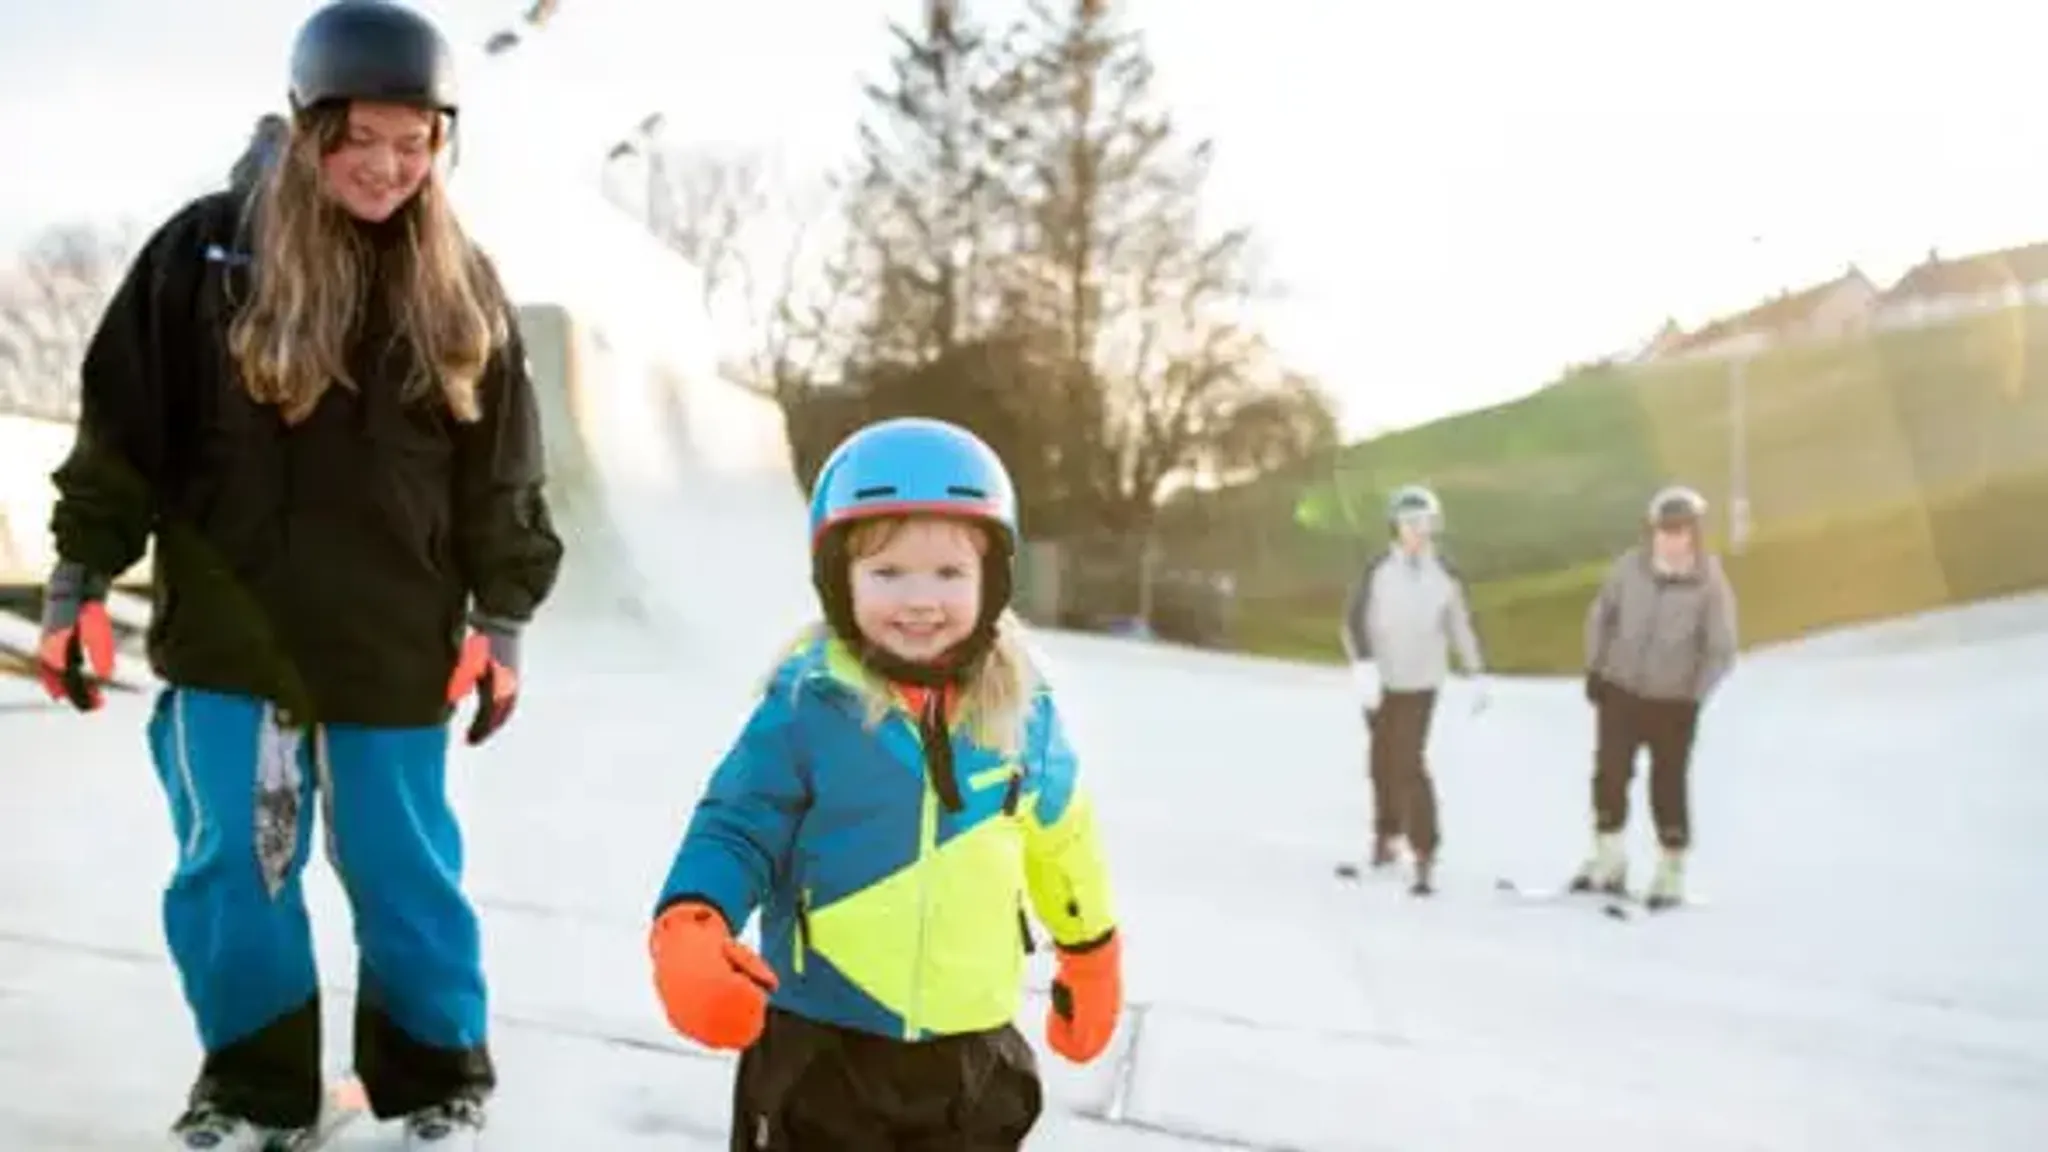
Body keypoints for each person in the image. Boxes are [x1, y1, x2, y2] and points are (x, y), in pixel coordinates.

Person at [34, 2, 564, 1147]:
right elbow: (122, 432)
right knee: (236, 873)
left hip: (392, 644)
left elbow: (502, 475)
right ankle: (251, 1094)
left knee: (402, 875)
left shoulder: (458, 282)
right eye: (357, 138)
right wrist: (78, 586)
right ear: (307, 123)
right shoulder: (208, 253)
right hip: (232, 645)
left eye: (411, 142)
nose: (384, 167)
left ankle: (436, 1092)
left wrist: (503, 618)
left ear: (440, 143)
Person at [647, 417, 1123, 1149]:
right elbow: (738, 823)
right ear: (838, 581)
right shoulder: (808, 706)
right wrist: (692, 922)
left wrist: (1091, 952)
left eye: (949, 573)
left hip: (971, 1056)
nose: (919, 599)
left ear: (992, 578)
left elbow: (1064, 838)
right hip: (822, 1045)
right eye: (887, 573)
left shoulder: (1026, 714)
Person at [1572, 484, 1737, 909]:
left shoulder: (1709, 583)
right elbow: (1601, 615)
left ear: (1695, 534)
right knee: (1609, 775)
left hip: (1673, 702)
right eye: (1664, 530)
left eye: (1681, 530)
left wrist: (1693, 697)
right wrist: (1596, 669)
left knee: (1667, 785)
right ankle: (1609, 860)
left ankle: (1670, 872)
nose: (1671, 538)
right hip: (1621, 689)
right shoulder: (1631, 568)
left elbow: (1720, 649)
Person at [1338, 483, 1488, 896]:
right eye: (1410, 524)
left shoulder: (1444, 575)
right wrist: (1363, 666)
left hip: (1421, 682)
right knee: (1381, 761)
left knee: (1408, 761)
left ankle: (1424, 849)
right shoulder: (1378, 570)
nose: (1419, 531)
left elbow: (1459, 625)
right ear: (1396, 527)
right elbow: (1352, 621)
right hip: (1379, 681)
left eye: (1426, 523)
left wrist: (1476, 671)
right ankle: (1388, 835)